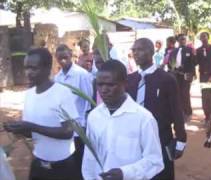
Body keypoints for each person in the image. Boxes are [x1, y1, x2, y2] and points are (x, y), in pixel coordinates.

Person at [4, 48, 79, 180]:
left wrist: (32, 127)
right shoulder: (29, 95)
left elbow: (68, 132)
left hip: (62, 167)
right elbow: (31, 133)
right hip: (39, 163)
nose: (28, 73)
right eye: (26, 68)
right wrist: (18, 129)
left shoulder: (62, 93)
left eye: (33, 68)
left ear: (47, 67)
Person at [82, 60, 164, 180]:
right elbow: (89, 157)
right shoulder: (94, 117)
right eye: (100, 84)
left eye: (110, 85)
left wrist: (125, 173)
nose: (104, 90)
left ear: (125, 84)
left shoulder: (143, 118)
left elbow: (154, 161)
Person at [127, 38, 187, 180]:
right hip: (134, 140)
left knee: (160, 175)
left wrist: (180, 140)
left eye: (140, 50)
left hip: (160, 138)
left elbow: (177, 111)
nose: (136, 53)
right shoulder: (130, 80)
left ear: (151, 51)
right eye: (134, 50)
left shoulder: (166, 79)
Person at [54, 44, 93, 179]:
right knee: (69, 160)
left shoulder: (81, 75)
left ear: (71, 56)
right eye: (60, 59)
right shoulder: (57, 78)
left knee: (80, 160)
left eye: (65, 57)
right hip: (64, 127)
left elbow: (89, 99)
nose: (63, 61)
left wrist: (84, 123)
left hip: (80, 126)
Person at [169, 34, 196, 122]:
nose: (182, 41)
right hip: (176, 75)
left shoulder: (189, 50)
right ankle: (180, 112)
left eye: (184, 39)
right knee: (177, 94)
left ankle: (188, 112)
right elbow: (171, 62)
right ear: (178, 41)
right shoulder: (174, 51)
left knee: (185, 94)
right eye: (181, 39)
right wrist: (172, 70)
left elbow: (193, 63)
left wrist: (192, 74)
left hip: (186, 75)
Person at [195, 32, 211, 124]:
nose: (203, 38)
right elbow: (196, 62)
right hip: (203, 77)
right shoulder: (198, 50)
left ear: (208, 38)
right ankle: (207, 116)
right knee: (205, 97)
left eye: (204, 36)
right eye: (201, 37)